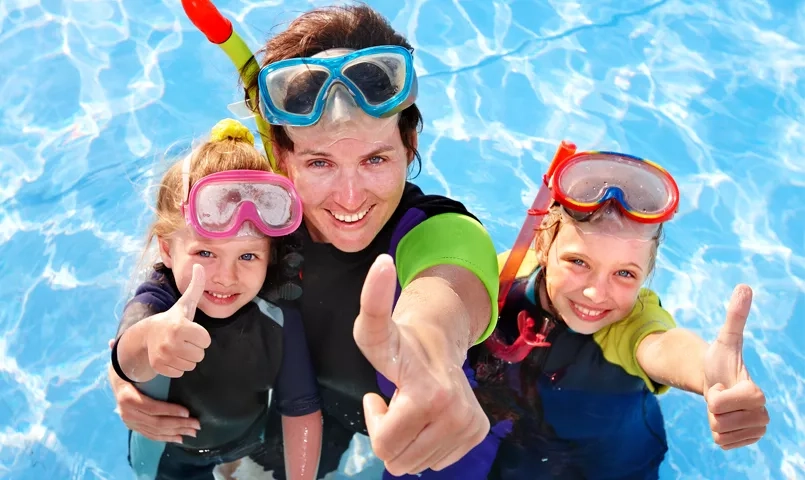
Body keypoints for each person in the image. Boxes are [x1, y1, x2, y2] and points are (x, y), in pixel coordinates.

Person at [108, 4, 501, 478]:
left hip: (395, 428)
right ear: (281, 159)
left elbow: (449, 287)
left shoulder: (439, 231)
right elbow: (166, 281)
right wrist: (127, 367)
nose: (351, 197)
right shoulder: (257, 219)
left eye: (376, 160)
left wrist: (433, 352)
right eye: (319, 163)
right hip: (282, 416)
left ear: (409, 146)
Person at [466, 147, 770, 479]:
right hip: (520, 440)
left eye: (624, 274)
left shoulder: (631, 321)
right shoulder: (503, 278)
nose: (596, 293)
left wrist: (707, 373)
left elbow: (660, 345)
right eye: (578, 262)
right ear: (542, 244)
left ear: (646, 274)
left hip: (612, 461)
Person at [110, 119, 323, 480]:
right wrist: (151, 341)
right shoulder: (159, 302)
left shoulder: (278, 313)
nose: (226, 277)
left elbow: (300, 407)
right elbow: (126, 361)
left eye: (247, 256)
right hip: (169, 454)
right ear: (166, 248)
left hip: (245, 439)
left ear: (270, 255)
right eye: (206, 254)